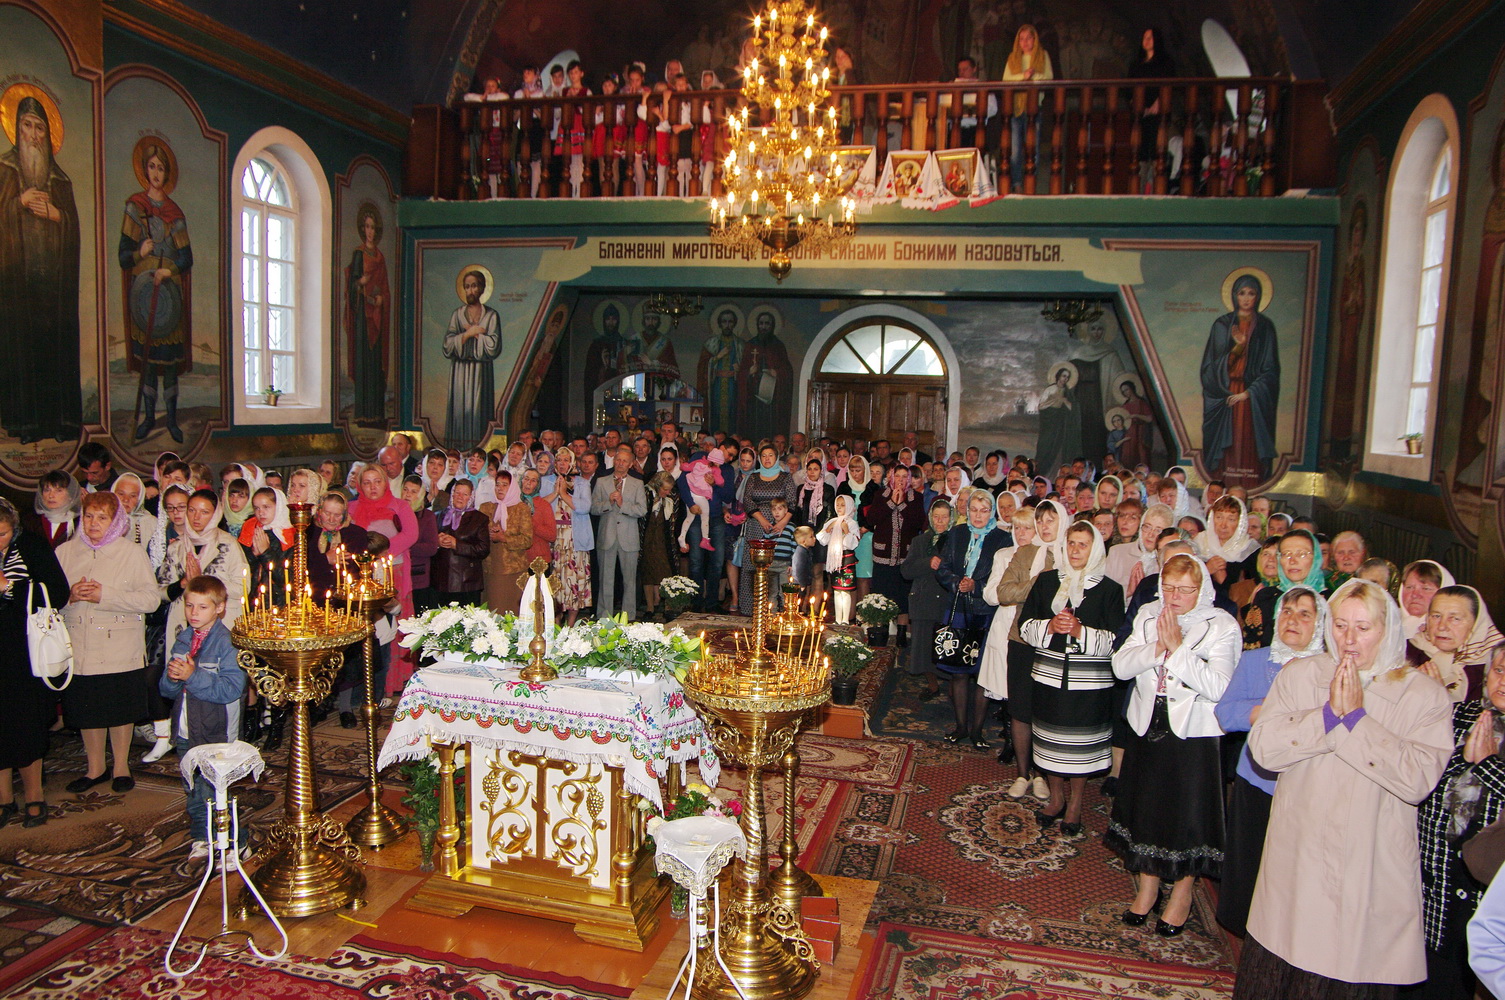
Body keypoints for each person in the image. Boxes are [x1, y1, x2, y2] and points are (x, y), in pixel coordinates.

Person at [1236, 580, 1453, 998]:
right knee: (1282, 964)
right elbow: (1264, 750)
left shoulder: (1423, 696)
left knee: (1345, 966)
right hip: (1298, 859)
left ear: (1387, 630)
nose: (1349, 639)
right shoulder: (1302, 675)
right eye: (1340, 625)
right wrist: (1326, 716)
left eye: (1363, 628)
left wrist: (1356, 720)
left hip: (1365, 867)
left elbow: (1417, 780)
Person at [1107, 553, 1239, 936]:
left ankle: (1182, 893)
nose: (1174, 597)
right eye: (1168, 587)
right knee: (1147, 807)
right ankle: (1148, 888)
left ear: (1202, 589)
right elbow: (1120, 666)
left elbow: (1220, 688)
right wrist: (1156, 649)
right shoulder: (1149, 613)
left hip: (1194, 733)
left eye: (1185, 589)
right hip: (1148, 723)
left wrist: (1178, 650)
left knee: (1186, 815)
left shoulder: (1222, 625)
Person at [1214, 585, 1327, 938]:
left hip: (1308, 783)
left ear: (1320, 624)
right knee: (1250, 858)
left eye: (1304, 614)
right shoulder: (1256, 660)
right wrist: (1266, 710)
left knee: (1291, 865)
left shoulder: (1331, 670)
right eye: (1287, 612)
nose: (1293, 620)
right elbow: (1225, 713)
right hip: (1257, 777)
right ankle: (1241, 928)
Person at [1412, 643, 1505, 999]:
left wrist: (1488, 765)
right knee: (1426, 972)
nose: (1503, 681)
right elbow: (1421, 774)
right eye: (1499, 671)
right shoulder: (1458, 714)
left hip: (1487, 885)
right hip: (1435, 871)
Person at [1019, 519, 1124, 834]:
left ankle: (1075, 803)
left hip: (1088, 686)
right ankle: (1056, 798)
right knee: (1050, 742)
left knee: (1080, 749)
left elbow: (1116, 641)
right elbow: (1025, 626)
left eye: (1083, 544)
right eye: (1072, 543)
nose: (1076, 550)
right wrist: (1049, 627)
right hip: (1049, 679)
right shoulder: (1047, 581)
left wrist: (1081, 632)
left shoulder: (1110, 589)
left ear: (1095, 549)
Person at [56, 492, 161, 795]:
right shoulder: (64, 552)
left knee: (118, 709)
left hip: (119, 646)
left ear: (116, 521)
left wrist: (106, 595)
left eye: (102, 517)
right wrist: (70, 596)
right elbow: (46, 599)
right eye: (89, 516)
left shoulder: (131, 553)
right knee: (87, 709)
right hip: (79, 644)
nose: (93, 523)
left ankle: (121, 767)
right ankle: (95, 768)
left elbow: (151, 600)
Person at [0, 96, 83, 445]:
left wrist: (57, 216)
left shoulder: (60, 181)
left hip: (53, 290)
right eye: (27, 126)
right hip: (17, 286)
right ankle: (24, 423)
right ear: (16, 130)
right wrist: (17, 203)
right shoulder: (5, 171)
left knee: (53, 353)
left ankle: (58, 422)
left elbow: (74, 230)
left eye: (39, 128)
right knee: (21, 351)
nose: (34, 135)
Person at [151, 487, 247, 762]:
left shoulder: (227, 544)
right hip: (183, 625)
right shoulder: (177, 545)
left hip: (219, 623)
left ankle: (219, 741)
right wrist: (182, 585)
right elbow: (159, 589)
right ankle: (181, 734)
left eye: (204, 512)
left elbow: (243, 585)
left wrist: (203, 580)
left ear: (215, 514)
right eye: (191, 510)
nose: (196, 517)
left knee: (215, 685)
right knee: (179, 681)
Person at [159, 575, 245, 859]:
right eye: (189, 605)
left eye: (202, 607)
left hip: (216, 729)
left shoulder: (228, 643)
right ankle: (202, 836)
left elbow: (231, 689)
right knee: (194, 788)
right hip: (186, 728)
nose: (193, 613)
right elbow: (167, 690)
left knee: (217, 789)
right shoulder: (183, 640)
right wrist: (173, 678)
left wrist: (192, 675)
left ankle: (237, 841)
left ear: (220, 608)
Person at [0, 497, 69, 827]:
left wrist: (10, 587)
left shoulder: (31, 546)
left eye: (2, 533)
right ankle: (3, 799)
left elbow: (58, 592)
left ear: (14, 528)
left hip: (24, 651)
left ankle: (34, 796)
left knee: (25, 725)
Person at [121, 141, 193, 444]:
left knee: (170, 363)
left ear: (167, 173)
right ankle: (149, 418)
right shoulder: (135, 207)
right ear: (144, 169)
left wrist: (169, 270)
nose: (156, 173)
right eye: (151, 166)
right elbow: (123, 256)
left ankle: (172, 420)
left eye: (161, 168)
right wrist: (140, 252)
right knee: (149, 362)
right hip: (143, 295)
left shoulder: (175, 214)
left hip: (169, 296)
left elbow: (186, 258)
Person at [935, 490, 1012, 749]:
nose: (978, 516)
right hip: (957, 608)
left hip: (985, 612)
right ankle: (961, 726)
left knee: (982, 673)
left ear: (992, 512)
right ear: (967, 511)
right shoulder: (957, 533)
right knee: (958, 671)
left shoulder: (1002, 538)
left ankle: (978, 731)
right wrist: (957, 582)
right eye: (974, 510)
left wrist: (976, 587)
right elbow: (943, 567)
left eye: (984, 510)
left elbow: (1002, 577)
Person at [1202, 274, 1280, 489]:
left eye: (1251, 293)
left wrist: (1248, 393)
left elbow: (1271, 370)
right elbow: (1211, 369)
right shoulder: (1222, 325)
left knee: (1248, 442)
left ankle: (1248, 485)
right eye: (1241, 293)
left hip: (1252, 398)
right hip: (1226, 393)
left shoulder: (1265, 328)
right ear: (1234, 296)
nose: (1246, 298)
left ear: (1258, 296)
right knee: (1228, 445)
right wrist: (1238, 346)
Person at [1409, 585, 1502, 704]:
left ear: (1477, 624)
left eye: (1455, 619)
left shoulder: (1495, 666)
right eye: (1436, 616)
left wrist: (1439, 696)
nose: (1442, 626)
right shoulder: (1406, 651)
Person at [443, 269, 502, 447]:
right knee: (460, 410)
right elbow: (447, 345)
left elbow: (494, 346)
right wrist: (468, 334)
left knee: (477, 410)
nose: (470, 290)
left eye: (474, 286)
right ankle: (458, 448)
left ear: (482, 288)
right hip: (459, 370)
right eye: (467, 286)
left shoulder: (491, 315)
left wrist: (476, 335)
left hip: (481, 372)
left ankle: (478, 447)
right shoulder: (457, 314)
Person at [868, 464, 925, 647]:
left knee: (903, 596)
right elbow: (872, 519)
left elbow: (918, 522)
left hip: (905, 556)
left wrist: (902, 504)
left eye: (904, 476)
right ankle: (881, 631)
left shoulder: (916, 497)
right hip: (883, 555)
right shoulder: (881, 494)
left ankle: (901, 633)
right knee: (882, 595)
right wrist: (892, 502)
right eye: (897, 476)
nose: (900, 480)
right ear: (892, 478)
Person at [902, 498, 953, 701]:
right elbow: (906, 571)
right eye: (936, 517)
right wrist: (927, 563)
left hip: (946, 602)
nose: (940, 521)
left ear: (951, 518)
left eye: (944, 517)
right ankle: (932, 686)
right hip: (923, 599)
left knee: (947, 648)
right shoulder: (920, 541)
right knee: (924, 649)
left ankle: (954, 688)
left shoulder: (956, 540)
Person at [1241, 528, 1325, 649]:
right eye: (1286, 554)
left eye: (1301, 554)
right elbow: (1250, 644)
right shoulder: (1266, 597)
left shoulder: (1329, 600)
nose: (1293, 561)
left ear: (1316, 557)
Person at [738, 444, 797, 615]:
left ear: (777, 457)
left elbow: (792, 502)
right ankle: (753, 609)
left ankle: (779, 611)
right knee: (754, 566)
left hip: (781, 527)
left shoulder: (785, 477)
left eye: (771, 455)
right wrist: (762, 519)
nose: (767, 459)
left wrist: (782, 523)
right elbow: (747, 501)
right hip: (756, 526)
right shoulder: (753, 477)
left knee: (778, 570)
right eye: (764, 455)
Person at [592, 444, 648, 619]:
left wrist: (623, 504)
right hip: (607, 536)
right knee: (605, 579)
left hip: (629, 537)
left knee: (629, 580)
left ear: (631, 464)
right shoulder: (601, 481)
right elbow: (593, 508)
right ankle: (604, 617)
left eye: (624, 461)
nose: (620, 463)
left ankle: (628, 616)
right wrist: (608, 503)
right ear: (613, 461)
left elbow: (642, 510)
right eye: (618, 460)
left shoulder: (637, 484)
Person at [1000, 24, 1054, 190]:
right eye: (1022, 39)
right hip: (1016, 107)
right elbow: (1006, 79)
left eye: (1029, 38)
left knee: (1032, 148)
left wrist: (1033, 76)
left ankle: (1031, 183)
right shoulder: (1013, 57)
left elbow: (1049, 77)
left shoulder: (1042, 55)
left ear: (1035, 39)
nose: (1025, 42)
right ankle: (1017, 184)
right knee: (1015, 150)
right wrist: (1023, 77)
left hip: (1034, 107)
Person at [548, 448, 593, 624]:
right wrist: (555, 492)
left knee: (574, 579)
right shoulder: (547, 480)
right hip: (554, 537)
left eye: (566, 460)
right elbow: (541, 505)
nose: (562, 463)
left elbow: (584, 507)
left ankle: (571, 622)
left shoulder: (581, 483)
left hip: (575, 538)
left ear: (572, 463)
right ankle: (556, 619)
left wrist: (564, 494)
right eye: (559, 460)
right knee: (556, 580)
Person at [431, 478, 490, 607]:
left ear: (471, 497)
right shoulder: (437, 516)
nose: (460, 497)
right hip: (440, 581)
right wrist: (437, 542)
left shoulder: (479, 519)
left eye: (465, 494)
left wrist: (456, 545)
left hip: (467, 583)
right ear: (452, 494)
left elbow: (483, 549)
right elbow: (427, 544)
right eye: (457, 492)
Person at [1198, 495, 1259, 589]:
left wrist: (1225, 582)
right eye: (1219, 517)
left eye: (1231, 519)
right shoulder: (1199, 543)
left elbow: (1253, 590)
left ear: (1240, 522)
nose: (1223, 525)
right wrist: (1206, 571)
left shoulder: (1250, 551)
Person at [817, 494, 861, 624]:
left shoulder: (852, 523)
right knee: (837, 591)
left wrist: (846, 531)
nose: (840, 508)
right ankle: (837, 619)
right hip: (834, 560)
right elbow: (822, 539)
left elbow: (852, 543)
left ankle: (845, 620)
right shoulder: (832, 521)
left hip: (846, 560)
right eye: (838, 505)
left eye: (843, 505)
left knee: (845, 591)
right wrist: (829, 529)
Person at [641, 471, 679, 619]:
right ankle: (650, 607)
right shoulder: (645, 494)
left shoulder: (671, 499)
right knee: (648, 573)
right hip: (647, 540)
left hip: (663, 541)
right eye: (665, 489)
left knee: (665, 571)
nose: (667, 492)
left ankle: (667, 607)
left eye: (669, 490)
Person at [25, 471, 80, 550]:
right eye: (47, 490)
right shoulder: (30, 521)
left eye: (58, 491)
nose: (51, 495)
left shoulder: (79, 521)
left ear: (70, 495)